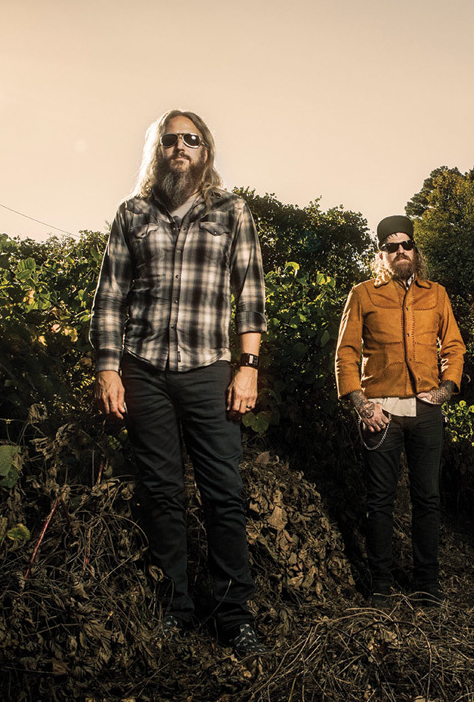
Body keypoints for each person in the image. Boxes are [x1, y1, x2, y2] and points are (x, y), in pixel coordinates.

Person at [90, 109, 267, 658]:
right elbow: (110, 295)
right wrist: (108, 367)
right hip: (143, 370)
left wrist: (248, 366)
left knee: (223, 494)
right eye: (170, 140)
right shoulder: (132, 213)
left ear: (205, 153)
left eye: (191, 139)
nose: (180, 148)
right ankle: (175, 610)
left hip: (210, 368)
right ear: (158, 151)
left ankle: (234, 616)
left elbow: (251, 292)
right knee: (162, 494)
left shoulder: (232, 211)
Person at [334, 215, 466, 606]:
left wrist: (444, 390)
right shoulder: (363, 294)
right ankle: (381, 586)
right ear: (382, 254)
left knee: (427, 499)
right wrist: (360, 403)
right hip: (381, 415)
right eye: (392, 247)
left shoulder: (436, 293)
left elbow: (454, 346)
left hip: (426, 412)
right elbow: (345, 353)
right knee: (380, 501)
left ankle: (427, 585)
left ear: (415, 249)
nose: (401, 251)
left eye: (406, 244)